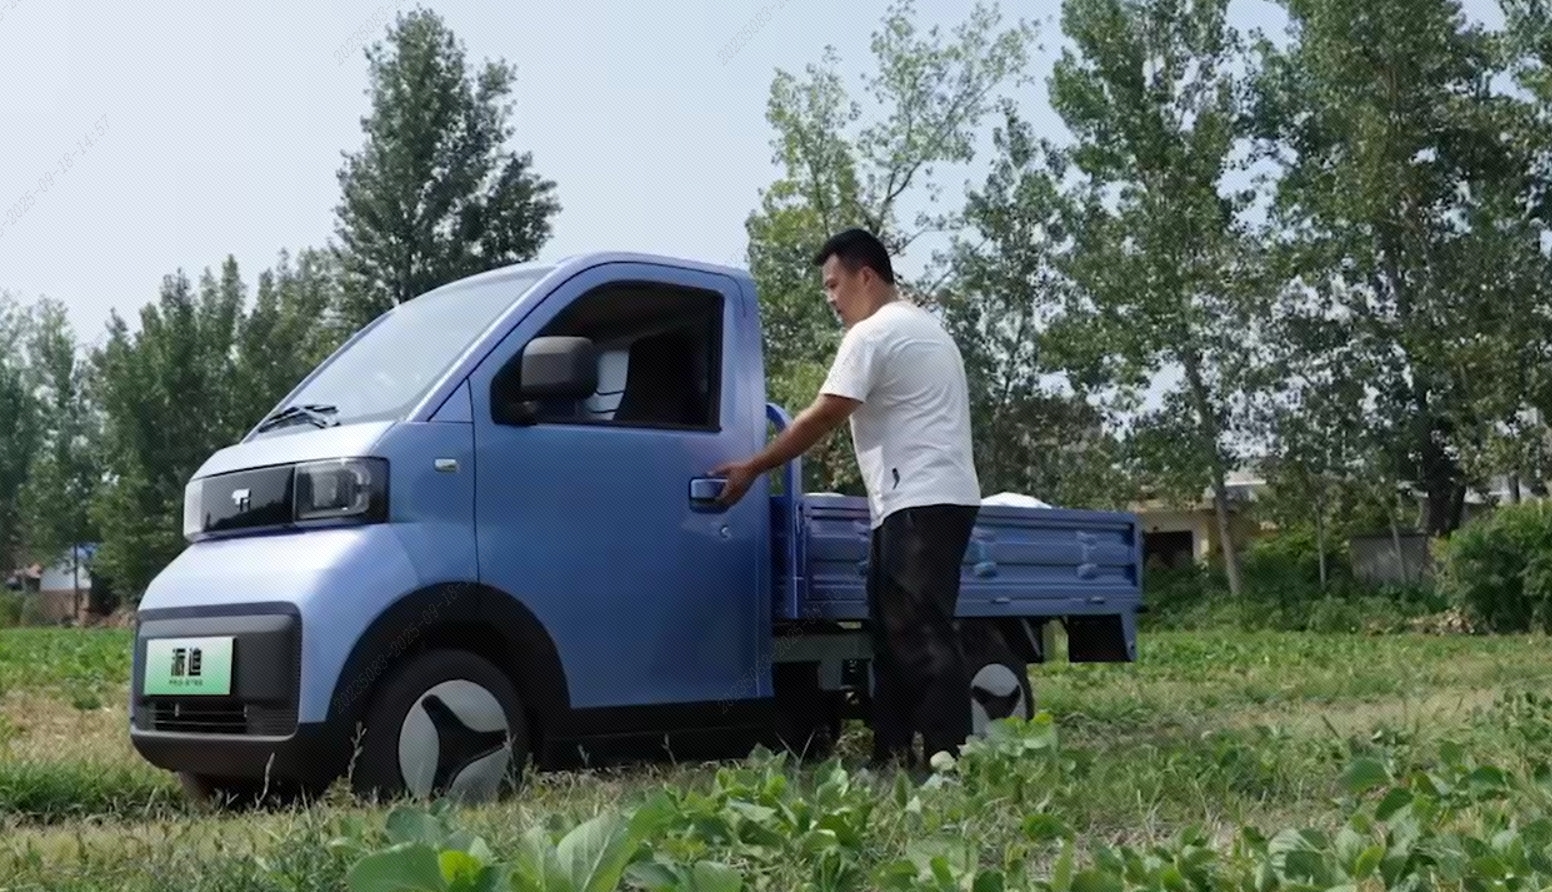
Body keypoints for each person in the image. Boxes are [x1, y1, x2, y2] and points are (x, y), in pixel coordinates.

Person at [712, 227, 983, 769]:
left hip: (919, 499)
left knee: (921, 634)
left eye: (834, 285)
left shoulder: (874, 334)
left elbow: (824, 416)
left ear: (867, 276)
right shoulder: (925, 327)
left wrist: (753, 467)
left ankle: (947, 760)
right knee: (891, 634)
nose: (831, 299)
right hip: (922, 500)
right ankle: (892, 757)